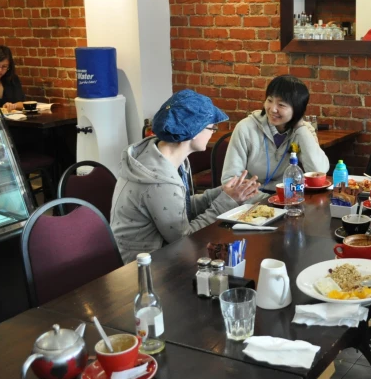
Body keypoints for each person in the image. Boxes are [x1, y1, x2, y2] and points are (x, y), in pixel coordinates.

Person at [111, 90, 259, 263]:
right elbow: (185, 239)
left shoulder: (159, 154)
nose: (213, 133)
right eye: (211, 127)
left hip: (162, 256)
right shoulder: (159, 180)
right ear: (194, 131)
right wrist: (226, 202)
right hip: (144, 268)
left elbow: (181, 207)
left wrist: (222, 193)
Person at [221, 75, 329, 189]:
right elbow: (230, 180)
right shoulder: (245, 128)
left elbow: (318, 172)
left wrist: (300, 128)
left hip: (290, 197)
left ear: (297, 109)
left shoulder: (304, 131)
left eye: (281, 105)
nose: (272, 109)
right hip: (252, 198)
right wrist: (263, 201)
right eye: (270, 100)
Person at [0, 45, 25, 112]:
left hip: (12, 120)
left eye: (4, 66)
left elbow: (23, 103)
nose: (0, 70)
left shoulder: (12, 79)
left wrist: (13, 106)